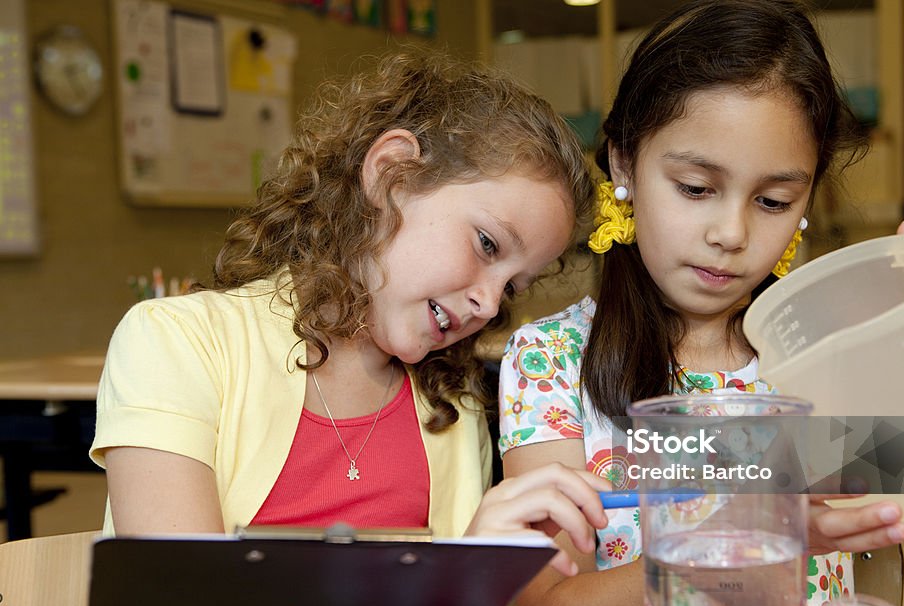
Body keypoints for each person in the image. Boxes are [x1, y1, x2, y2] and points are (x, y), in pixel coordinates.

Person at [499, 0, 904, 606]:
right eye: (696, 188)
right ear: (623, 166)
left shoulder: (836, 355)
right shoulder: (551, 360)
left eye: (773, 200)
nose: (731, 232)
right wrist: (758, 536)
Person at [89, 52, 610, 577]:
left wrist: (484, 572)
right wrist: (450, 574)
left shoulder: (452, 404)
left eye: (514, 286)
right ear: (390, 174)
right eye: (487, 244)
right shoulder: (175, 342)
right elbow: (176, 600)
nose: (491, 303)